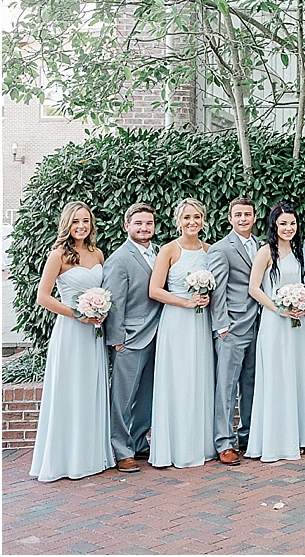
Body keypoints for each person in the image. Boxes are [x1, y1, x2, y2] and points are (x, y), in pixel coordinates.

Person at [30, 202, 114, 482]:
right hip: (71, 332)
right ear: (67, 224)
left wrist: (99, 309)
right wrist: (78, 313)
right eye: (76, 221)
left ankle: (91, 455)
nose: (81, 226)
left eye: (86, 221)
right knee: (71, 390)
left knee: (91, 390)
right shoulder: (58, 255)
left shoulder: (97, 253)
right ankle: (67, 458)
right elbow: (43, 297)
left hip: (94, 333)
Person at [246, 203, 305, 461]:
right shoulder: (266, 252)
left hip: (298, 324)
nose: (288, 228)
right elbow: (254, 288)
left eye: (292, 223)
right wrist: (279, 308)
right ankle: (276, 440)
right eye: (283, 223)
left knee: (297, 376)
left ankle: (296, 436)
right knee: (277, 377)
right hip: (275, 322)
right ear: (274, 225)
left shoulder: (299, 251)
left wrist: (304, 304)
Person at [148, 198, 215, 468]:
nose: (192, 222)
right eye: (187, 217)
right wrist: (185, 301)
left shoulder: (210, 250)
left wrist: (206, 297)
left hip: (200, 323)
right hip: (176, 322)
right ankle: (174, 447)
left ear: (204, 220)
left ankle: (199, 445)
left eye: (197, 217)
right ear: (179, 220)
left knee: (199, 379)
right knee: (178, 380)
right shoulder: (168, 251)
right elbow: (155, 290)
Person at [104, 202, 161, 473]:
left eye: (148, 223)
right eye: (138, 223)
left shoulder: (159, 252)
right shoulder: (119, 258)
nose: (144, 228)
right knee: (123, 398)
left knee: (147, 396)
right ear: (127, 226)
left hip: (158, 335)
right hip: (130, 338)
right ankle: (121, 449)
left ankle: (139, 441)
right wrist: (117, 339)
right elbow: (115, 302)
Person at [207, 197, 261, 466]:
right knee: (226, 386)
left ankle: (248, 435)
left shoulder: (262, 244)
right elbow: (218, 291)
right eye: (238, 215)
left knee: (251, 384)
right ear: (230, 218)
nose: (243, 219)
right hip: (233, 327)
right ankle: (224, 442)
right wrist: (222, 326)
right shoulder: (221, 249)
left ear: (254, 217)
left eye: (247, 214)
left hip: (259, 325)